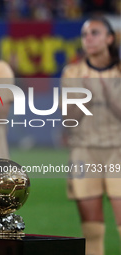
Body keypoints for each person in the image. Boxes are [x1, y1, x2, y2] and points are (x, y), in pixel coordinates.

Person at [61, 17, 121, 255]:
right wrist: (83, 96)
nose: (89, 39)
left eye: (95, 33)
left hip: (118, 151)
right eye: (85, 34)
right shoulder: (73, 72)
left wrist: (108, 94)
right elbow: (68, 119)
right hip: (84, 152)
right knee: (92, 231)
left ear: (109, 38)